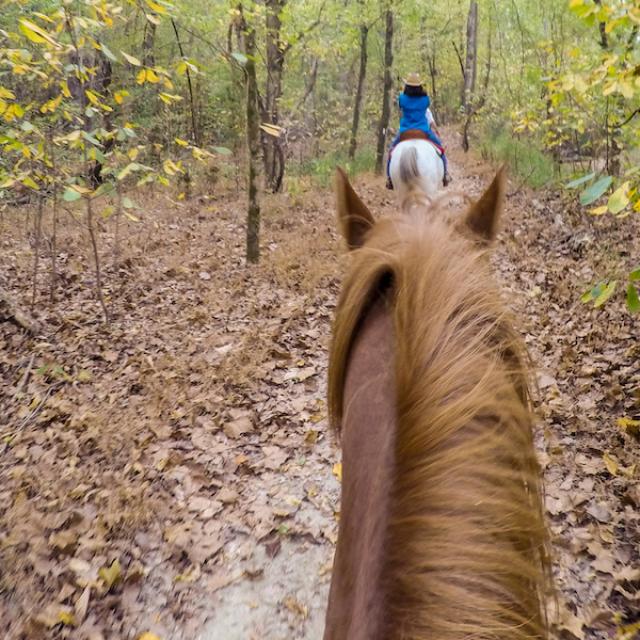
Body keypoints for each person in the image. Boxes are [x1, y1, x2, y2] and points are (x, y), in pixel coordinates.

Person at [386, 73, 451, 189]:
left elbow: (400, 105)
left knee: (391, 152)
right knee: (440, 149)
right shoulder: (425, 99)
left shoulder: (402, 98)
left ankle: (389, 179)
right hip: (423, 131)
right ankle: (445, 174)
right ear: (420, 86)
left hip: (405, 132)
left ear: (407, 86)